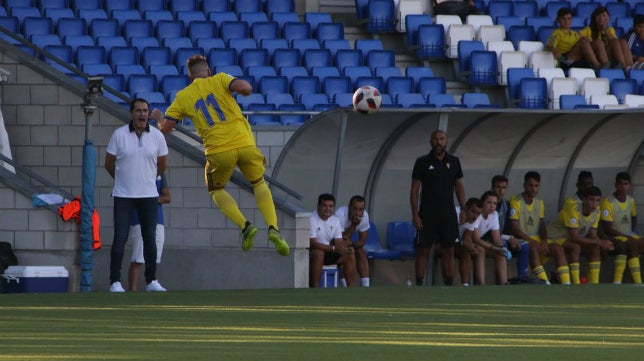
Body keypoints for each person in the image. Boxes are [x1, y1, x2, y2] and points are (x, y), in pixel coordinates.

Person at [159, 55, 289, 256]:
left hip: (219, 151)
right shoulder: (220, 79)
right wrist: (242, 90)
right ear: (208, 71)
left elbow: (165, 129)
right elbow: (245, 87)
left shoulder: (183, 96)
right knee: (259, 183)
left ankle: (245, 226)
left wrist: (159, 117)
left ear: (190, 77)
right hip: (245, 143)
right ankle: (273, 228)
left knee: (216, 189)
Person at [104, 98, 168, 292]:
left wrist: (147, 179)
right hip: (124, 195)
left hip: (148, 195)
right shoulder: (119, 135)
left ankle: (151, 281)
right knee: (120, 238)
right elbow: (109, 163)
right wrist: (123, 180)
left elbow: (162, 164)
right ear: (132, 113)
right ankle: (115, 281)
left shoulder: (157, 136)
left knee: (150, 239)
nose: (142, 114)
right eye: (138, 110)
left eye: (145, 111)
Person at [410, 129, 466, 286]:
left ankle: (448, 284)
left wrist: (463, 208)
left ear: (446, 141)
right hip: (427, 213)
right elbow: (414, 190)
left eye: (442, 139)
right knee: (424, 249)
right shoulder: (422, 162)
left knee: (449, 249)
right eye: (435, 139)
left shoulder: (454, 161)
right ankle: (419, 284)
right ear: (430, 142)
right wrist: (415, 214)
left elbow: (459, 186)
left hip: (448, 213)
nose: (439, 142)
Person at [547, 186, 614, 284]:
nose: (594, 204)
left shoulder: (597, 211)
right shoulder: (573, 209)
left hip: (568, 239)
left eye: (597, 201)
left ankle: (594, 283)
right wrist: (600, 242)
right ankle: (576, 282)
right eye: (591, 200)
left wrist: (602, 243)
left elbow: (593, 235)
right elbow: (574, 237)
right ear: (584, 199)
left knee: (595, 247)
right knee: (576, 247)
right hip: (554, 237)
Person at [127, 172, 170, 291]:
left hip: (157, 218)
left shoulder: (160, 173)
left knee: (153, 256)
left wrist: (151, 200)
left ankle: (151, 282)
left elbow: (167, 197)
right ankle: (132, 291)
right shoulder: (136, 169)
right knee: (138, 257)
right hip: (140, 219)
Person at [508, 171, 552, 284]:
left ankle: (568, 283)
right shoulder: (516, 201)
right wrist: (536, 243)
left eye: (536, 186)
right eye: (530, 185)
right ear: (524, 185)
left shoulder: (539, 203)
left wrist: (544, 241)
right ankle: (545, 282)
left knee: (558, 248)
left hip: (536, 239)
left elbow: (542, 225)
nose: (533, 189)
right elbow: (515, 230)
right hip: (521, 239)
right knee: (532, 248)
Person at [600, 172, 643, 285]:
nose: (623, 187)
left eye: (625, 184)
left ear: (629, 185)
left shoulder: (631, 200)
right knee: (632, 244)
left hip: (628, 235)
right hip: (614, 236)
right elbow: (607, 228)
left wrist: (630, 232)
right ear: (615, 185)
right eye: (620, 184)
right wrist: (626, 236)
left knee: (637, 243)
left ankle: (631, 280)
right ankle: (631, 282)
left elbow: (633, 218)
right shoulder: (608, 202)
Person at [309, 193, 357, 288]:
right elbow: (312, 243)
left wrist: (345, 246)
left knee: (350, 252)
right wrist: (334, 248)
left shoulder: (335, 220)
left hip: (329, 251)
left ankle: (352, 288)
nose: (328, 209)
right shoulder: (312, 219)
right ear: (318, 206)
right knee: (319, 253)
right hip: (311, 254)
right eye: (325, 205)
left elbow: (338, 241)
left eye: (331, 206)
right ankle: (315, 288)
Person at [492, 175, 530, 282]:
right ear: (492, 188)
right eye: (498, 187)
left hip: (504, 237)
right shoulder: (487, 203)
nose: (501, 191)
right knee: (502, 245)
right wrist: (509, 238)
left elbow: (509, 227)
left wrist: (511, 239)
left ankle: (522, 277)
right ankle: (502, 281)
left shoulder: (507, 205)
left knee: (524, 245)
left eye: (504, 187)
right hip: (489, 239)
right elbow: (488, 231)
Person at [470, 191, 509, 285]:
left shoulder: (494, 215)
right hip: (468, 242)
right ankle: (481, 284)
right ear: (482, 202)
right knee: (481, 250)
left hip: (480, 243)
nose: (492, 206)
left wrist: (502, 248)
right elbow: (475, 239)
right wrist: (493, 248)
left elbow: (496, 238)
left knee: (500, 253)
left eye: (494, 203)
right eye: (489, 202)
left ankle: (504, 283)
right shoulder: (477, 214)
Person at [545, 7, 603, 71]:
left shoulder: (575, 33)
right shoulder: (556, 33)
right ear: (558, 20)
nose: (566, 21)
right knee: (583, 40)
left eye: (569, 19)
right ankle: (598, 67)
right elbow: (548, 46)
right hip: (566, 60)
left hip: (578, 59)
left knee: (597, 42)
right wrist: (555, 51)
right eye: (564, 19)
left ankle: (606, 65)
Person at [580, 6, 631, 71]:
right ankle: (624, 68)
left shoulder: (610, 30)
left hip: (608, 55)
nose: (601, 18)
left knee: (622, 41)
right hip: (595, 57)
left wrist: (605, 30)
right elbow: (584, 46)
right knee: (599, 43)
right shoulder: (587, 30)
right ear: (594, 18)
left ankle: (627, 67)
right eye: (599, 16)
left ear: (608, 18)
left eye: (604, 16)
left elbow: (615, 43)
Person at [335, 195, 370, 287]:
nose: (357, 213)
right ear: (349, 207)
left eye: (360, 210)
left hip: (347, 242)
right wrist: (354, 225)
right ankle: (346, 285)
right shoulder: (340, 214)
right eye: (354, 209)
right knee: (348, 250)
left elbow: (362, 241)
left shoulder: (365, 216)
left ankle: (366, 285)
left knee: (360, 250)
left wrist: (351, 243)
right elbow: (339, 240)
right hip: (333, 243)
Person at [455, 197, 482, 287]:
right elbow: (447, 237)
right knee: (448, 249)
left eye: (478, 214)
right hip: (440, 244)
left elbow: (466, 238)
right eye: (473, 212)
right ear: (465, 208)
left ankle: (465, 285)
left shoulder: (475, 219)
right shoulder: (455, 213)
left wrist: (471, 247)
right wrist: (465, 244)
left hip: (455, 244)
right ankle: (448, 282)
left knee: (467, 251)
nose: (475, 217)